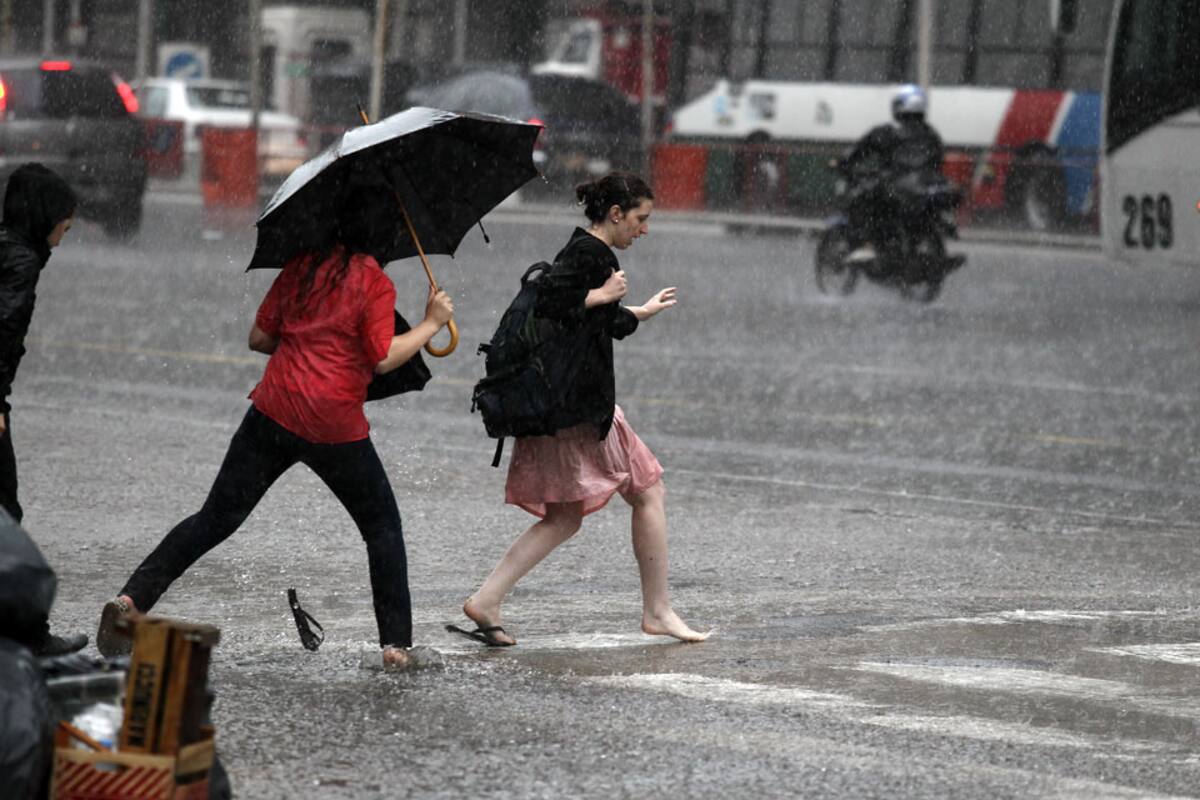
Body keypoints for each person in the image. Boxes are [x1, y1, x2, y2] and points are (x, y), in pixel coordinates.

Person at [96, 182, 454, 668]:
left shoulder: (301, 266)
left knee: (214, 519)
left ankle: (131, 602)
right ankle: (396, 647)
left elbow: (260, 338)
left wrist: (307, 343)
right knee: (382, 528)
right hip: (334, 425)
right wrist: (432, 323)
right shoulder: (372, 281)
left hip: (274, 410)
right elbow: (384, 358)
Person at [448, 171, 709, 647]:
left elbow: (597, 323)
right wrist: (600, 295)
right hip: (577, 410)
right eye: (640, 219)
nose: (644, 229)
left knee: (568, 516)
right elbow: (549, 304)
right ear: (615, 215)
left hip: (569, 407)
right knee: (648, 491)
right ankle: (657, 610)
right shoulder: (592, 254)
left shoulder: (586, 252)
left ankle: (487, 600)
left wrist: (638, 311)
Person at [0, 163, 88, 657]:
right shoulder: (22, 261)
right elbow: (3, 330)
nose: (60, 240)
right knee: (6, 519)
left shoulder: (5, 245)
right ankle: (27, 634)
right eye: (63, 228)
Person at [842, 84, 945, 262]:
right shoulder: (931, 134)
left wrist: (848, 162)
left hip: (897, 186)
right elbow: (938, 160)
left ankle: (868, 245)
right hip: (922, 187)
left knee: (863, 200)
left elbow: (861, 150)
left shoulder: (888, 131)